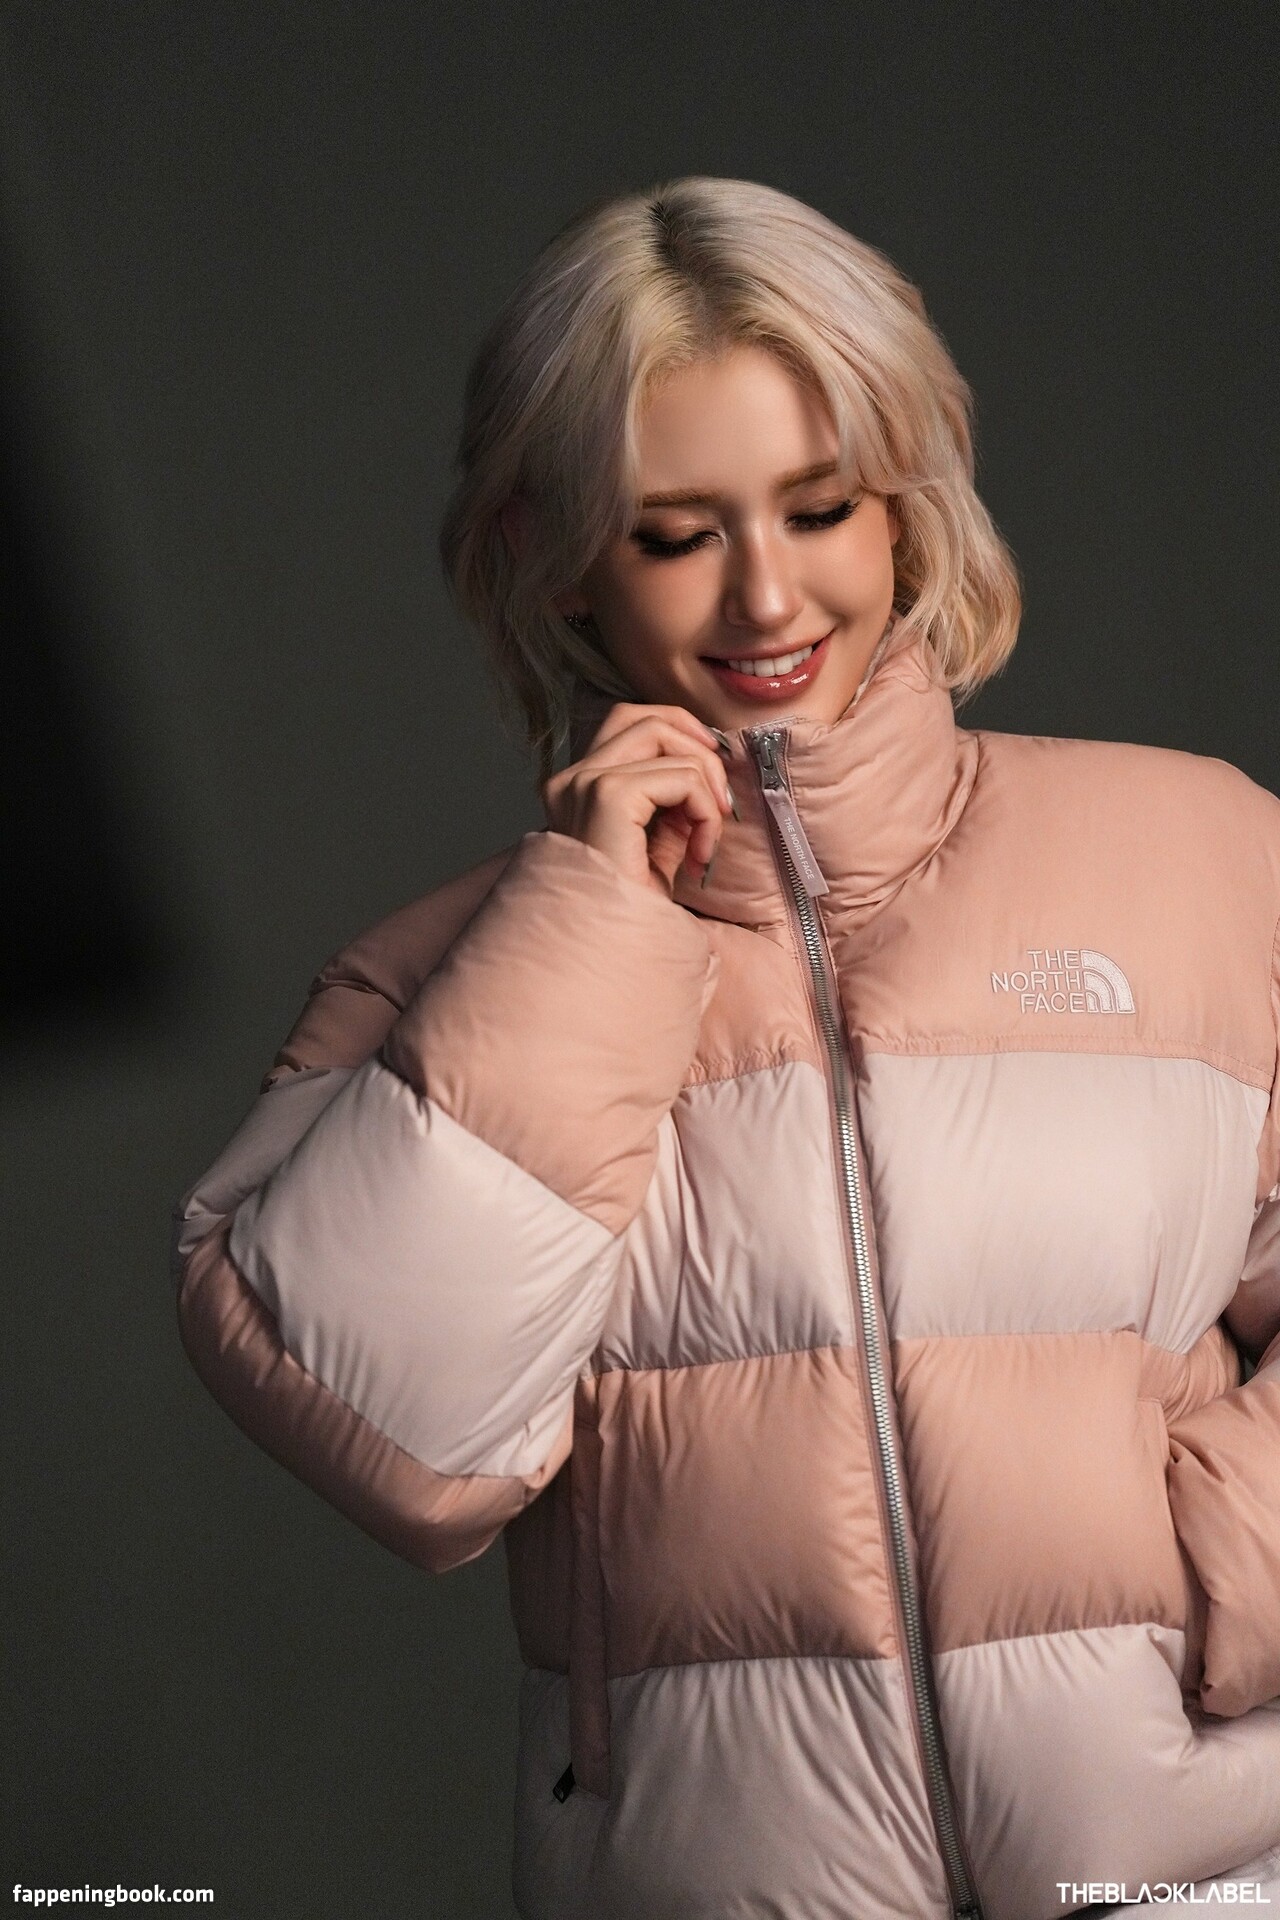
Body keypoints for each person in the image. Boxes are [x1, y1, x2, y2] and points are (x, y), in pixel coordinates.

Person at [172, 178, 1280, 1920]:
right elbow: (401, 1441)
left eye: (820, 508)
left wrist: (1230, 1563)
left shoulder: (1202, 854)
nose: (768, 595)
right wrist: (591, 936)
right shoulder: (443, 983)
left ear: (905, 507)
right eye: (678, 535)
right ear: (558, 555)